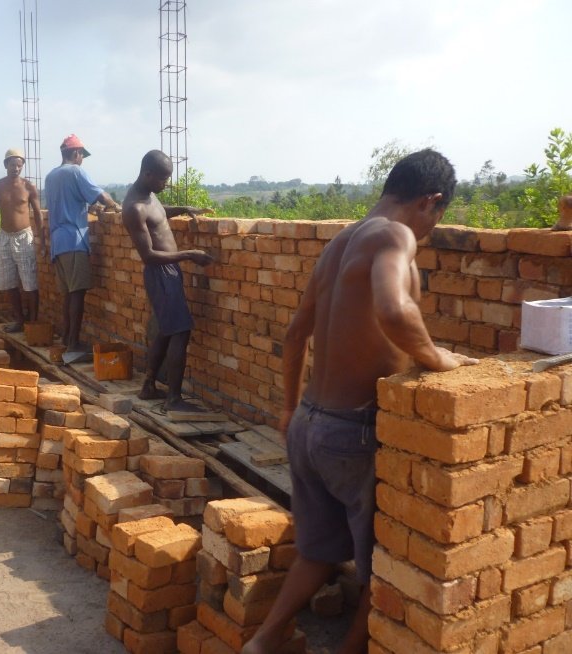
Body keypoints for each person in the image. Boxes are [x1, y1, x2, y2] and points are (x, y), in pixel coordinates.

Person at [243, 150, 478, 654]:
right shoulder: (395, 235)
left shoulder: (340, 243)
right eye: (436, 217)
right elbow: (394, 309)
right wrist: (439, 358)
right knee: (385, 564)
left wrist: (288, 410)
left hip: (309, 424)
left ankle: (262, 642)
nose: (430, 231)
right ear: (430, 201)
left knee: (317, 551)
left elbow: (294, 334)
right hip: (354, 432)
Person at [122, 150, 213, 411]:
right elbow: (148, 256)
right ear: (148, 174)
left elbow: (159, 215)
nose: (166, 183)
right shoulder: (134, 207)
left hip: (169, 271)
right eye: (163, 179)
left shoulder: (149, 195)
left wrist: (184, 209)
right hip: (160, 273)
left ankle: (148, 386)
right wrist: (190, 254)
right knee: (180, 331)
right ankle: (173, 399)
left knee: (166, 329)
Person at [44, 134, 121, 356]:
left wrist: (88, 208)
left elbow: (67, 203)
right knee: (77, 294)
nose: (82, 160)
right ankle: (74, 345)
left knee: (68, 295)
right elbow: (101, 196)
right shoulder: (75, 172)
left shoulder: (51, 176)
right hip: (74, 240)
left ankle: (67, 339)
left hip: (58, 242)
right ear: (76, 153)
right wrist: (116, 206)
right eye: (82, 156)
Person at [0, 147, 44, 332]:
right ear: (5, 165)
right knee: (9, 283)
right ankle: (20, 321)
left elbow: (38, 214)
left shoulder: (28, 186)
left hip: (23, 236)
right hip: (4, 237)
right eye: (12, 165)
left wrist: (41, 239)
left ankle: (33, 324)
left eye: (19, 165)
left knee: (30, 283)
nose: (16, 168)